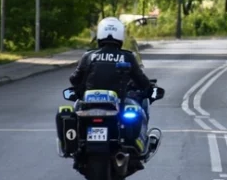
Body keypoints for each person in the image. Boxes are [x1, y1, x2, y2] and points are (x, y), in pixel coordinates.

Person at [68, 17, 159, 154]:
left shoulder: (88, 56)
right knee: (137, 111)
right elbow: (141, 80)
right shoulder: (127, 56)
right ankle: (139, 145)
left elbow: (74, 79)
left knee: (76, 110)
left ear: (99, 35)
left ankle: (77, 144)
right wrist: (149, 89)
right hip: (117, 104)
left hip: (89, 105)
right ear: (120, 35)